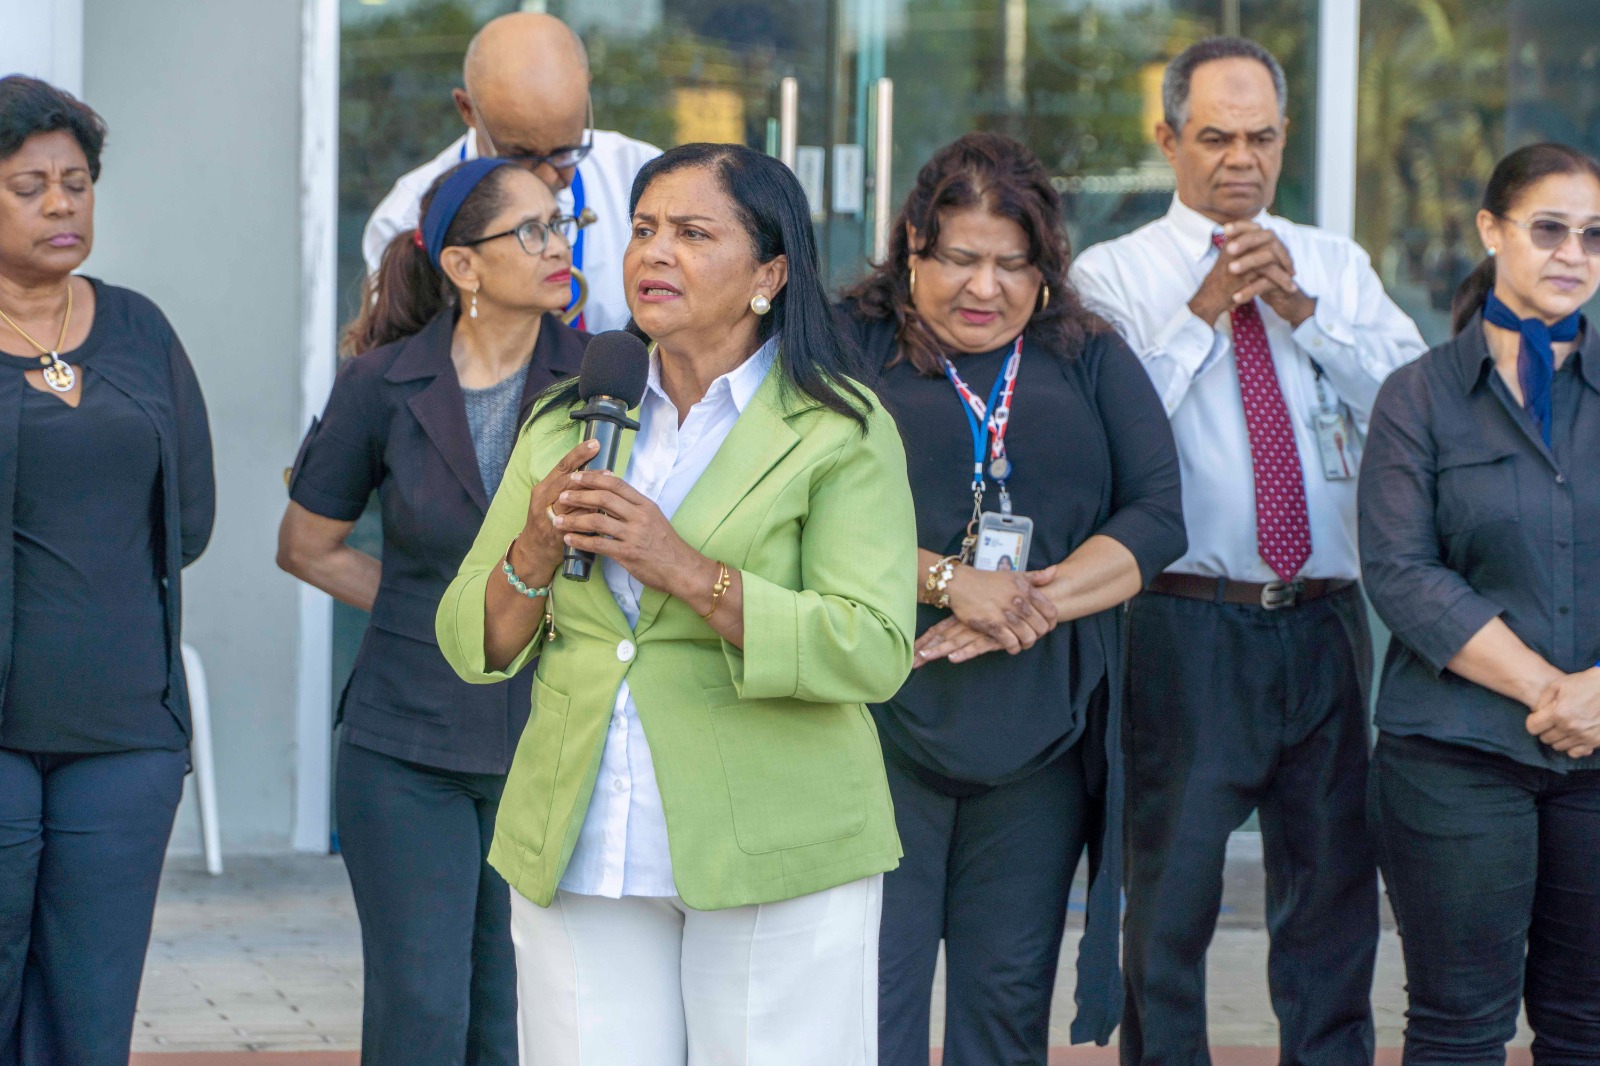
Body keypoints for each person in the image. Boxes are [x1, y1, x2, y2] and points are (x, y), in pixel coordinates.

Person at [436, 142, 916, 1065]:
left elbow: (872, 646)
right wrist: (534, 547)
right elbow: (471, 642)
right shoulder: (569, 418)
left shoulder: (839, 428)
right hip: (583, 837)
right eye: (644, 229)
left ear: (770, 274)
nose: (655, 252)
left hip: (779, 841)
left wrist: (687, 571)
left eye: (694, 233)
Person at [1069, 37, 1427, 1064]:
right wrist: (1204, 311)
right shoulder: (1115, 273)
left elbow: (1412, 410)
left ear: (1283, 139)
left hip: (1324, 622)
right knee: (1170, 904)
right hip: (1186, 622)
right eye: (1216, 137)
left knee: (1332, 901)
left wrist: (1301, 314)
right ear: (1167, 138)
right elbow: (1109, 434)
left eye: (1261, 137)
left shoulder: (1334, 264)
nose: (1241, 159)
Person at [840, 133, 1185, 1064]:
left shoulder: (1085, 352)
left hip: (1040, 743)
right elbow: (792, 515)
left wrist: (1028, 604)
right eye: (960, 258)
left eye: (1012, 264)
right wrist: (950, 582)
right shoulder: (849, 347)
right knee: (870, 1008)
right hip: (873, 732)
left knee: (1005, 1010)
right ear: (913, 247)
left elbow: (1158, 515)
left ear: (1045, 268)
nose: (984, 288)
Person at [277, 158, 586, 1065]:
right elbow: (307, 546)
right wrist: (453, 611)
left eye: (563, 224)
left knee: (518, 1019)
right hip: (406, 743)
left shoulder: (606, 377)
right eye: (531, 230)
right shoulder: (380, 382)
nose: (558, 246)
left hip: (553, 738)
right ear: (462, 265)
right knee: (420, 1009)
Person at [1360, 142, 1600, 1063]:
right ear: (1492, 230)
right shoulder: (1417, 398)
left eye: (1592, 235)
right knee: (1460, 1027)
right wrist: (1556, 692)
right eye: (1549, 229)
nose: (1572, 253)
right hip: (1455, 759)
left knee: (1589, 1026)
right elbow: (1402, 572)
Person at [0, 76, 214, 1062]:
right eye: (29, 186)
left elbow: (190, 518)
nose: (60, 205)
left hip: (125, 739)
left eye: (76, 184)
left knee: (89, 1016)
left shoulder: (138, 329)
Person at [363, 11, 659, 334]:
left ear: (585, 91)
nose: (547, 178)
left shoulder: (643, 174)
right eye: (521, 156)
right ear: (467, 110)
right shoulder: (405, 218)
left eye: (566, 152)